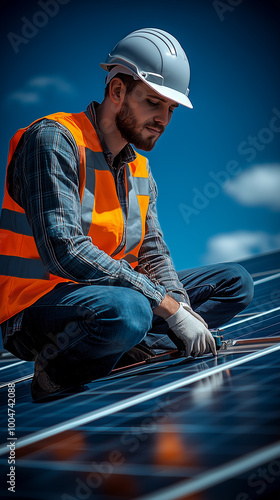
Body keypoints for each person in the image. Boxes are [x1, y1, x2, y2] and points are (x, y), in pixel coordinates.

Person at [0, 28, 254, 400]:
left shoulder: (140, 170)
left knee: (236, 282)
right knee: (131, 310)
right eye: (154, 102)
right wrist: (166, 307)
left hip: (111, 298)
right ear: (117, 91)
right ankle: (55, 372)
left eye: (170, 109)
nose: (163, 119)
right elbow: (63, 249)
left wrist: (180, 307)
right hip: (34, 308)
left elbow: (153, 252)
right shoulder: (53, 140)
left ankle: (123, 343)